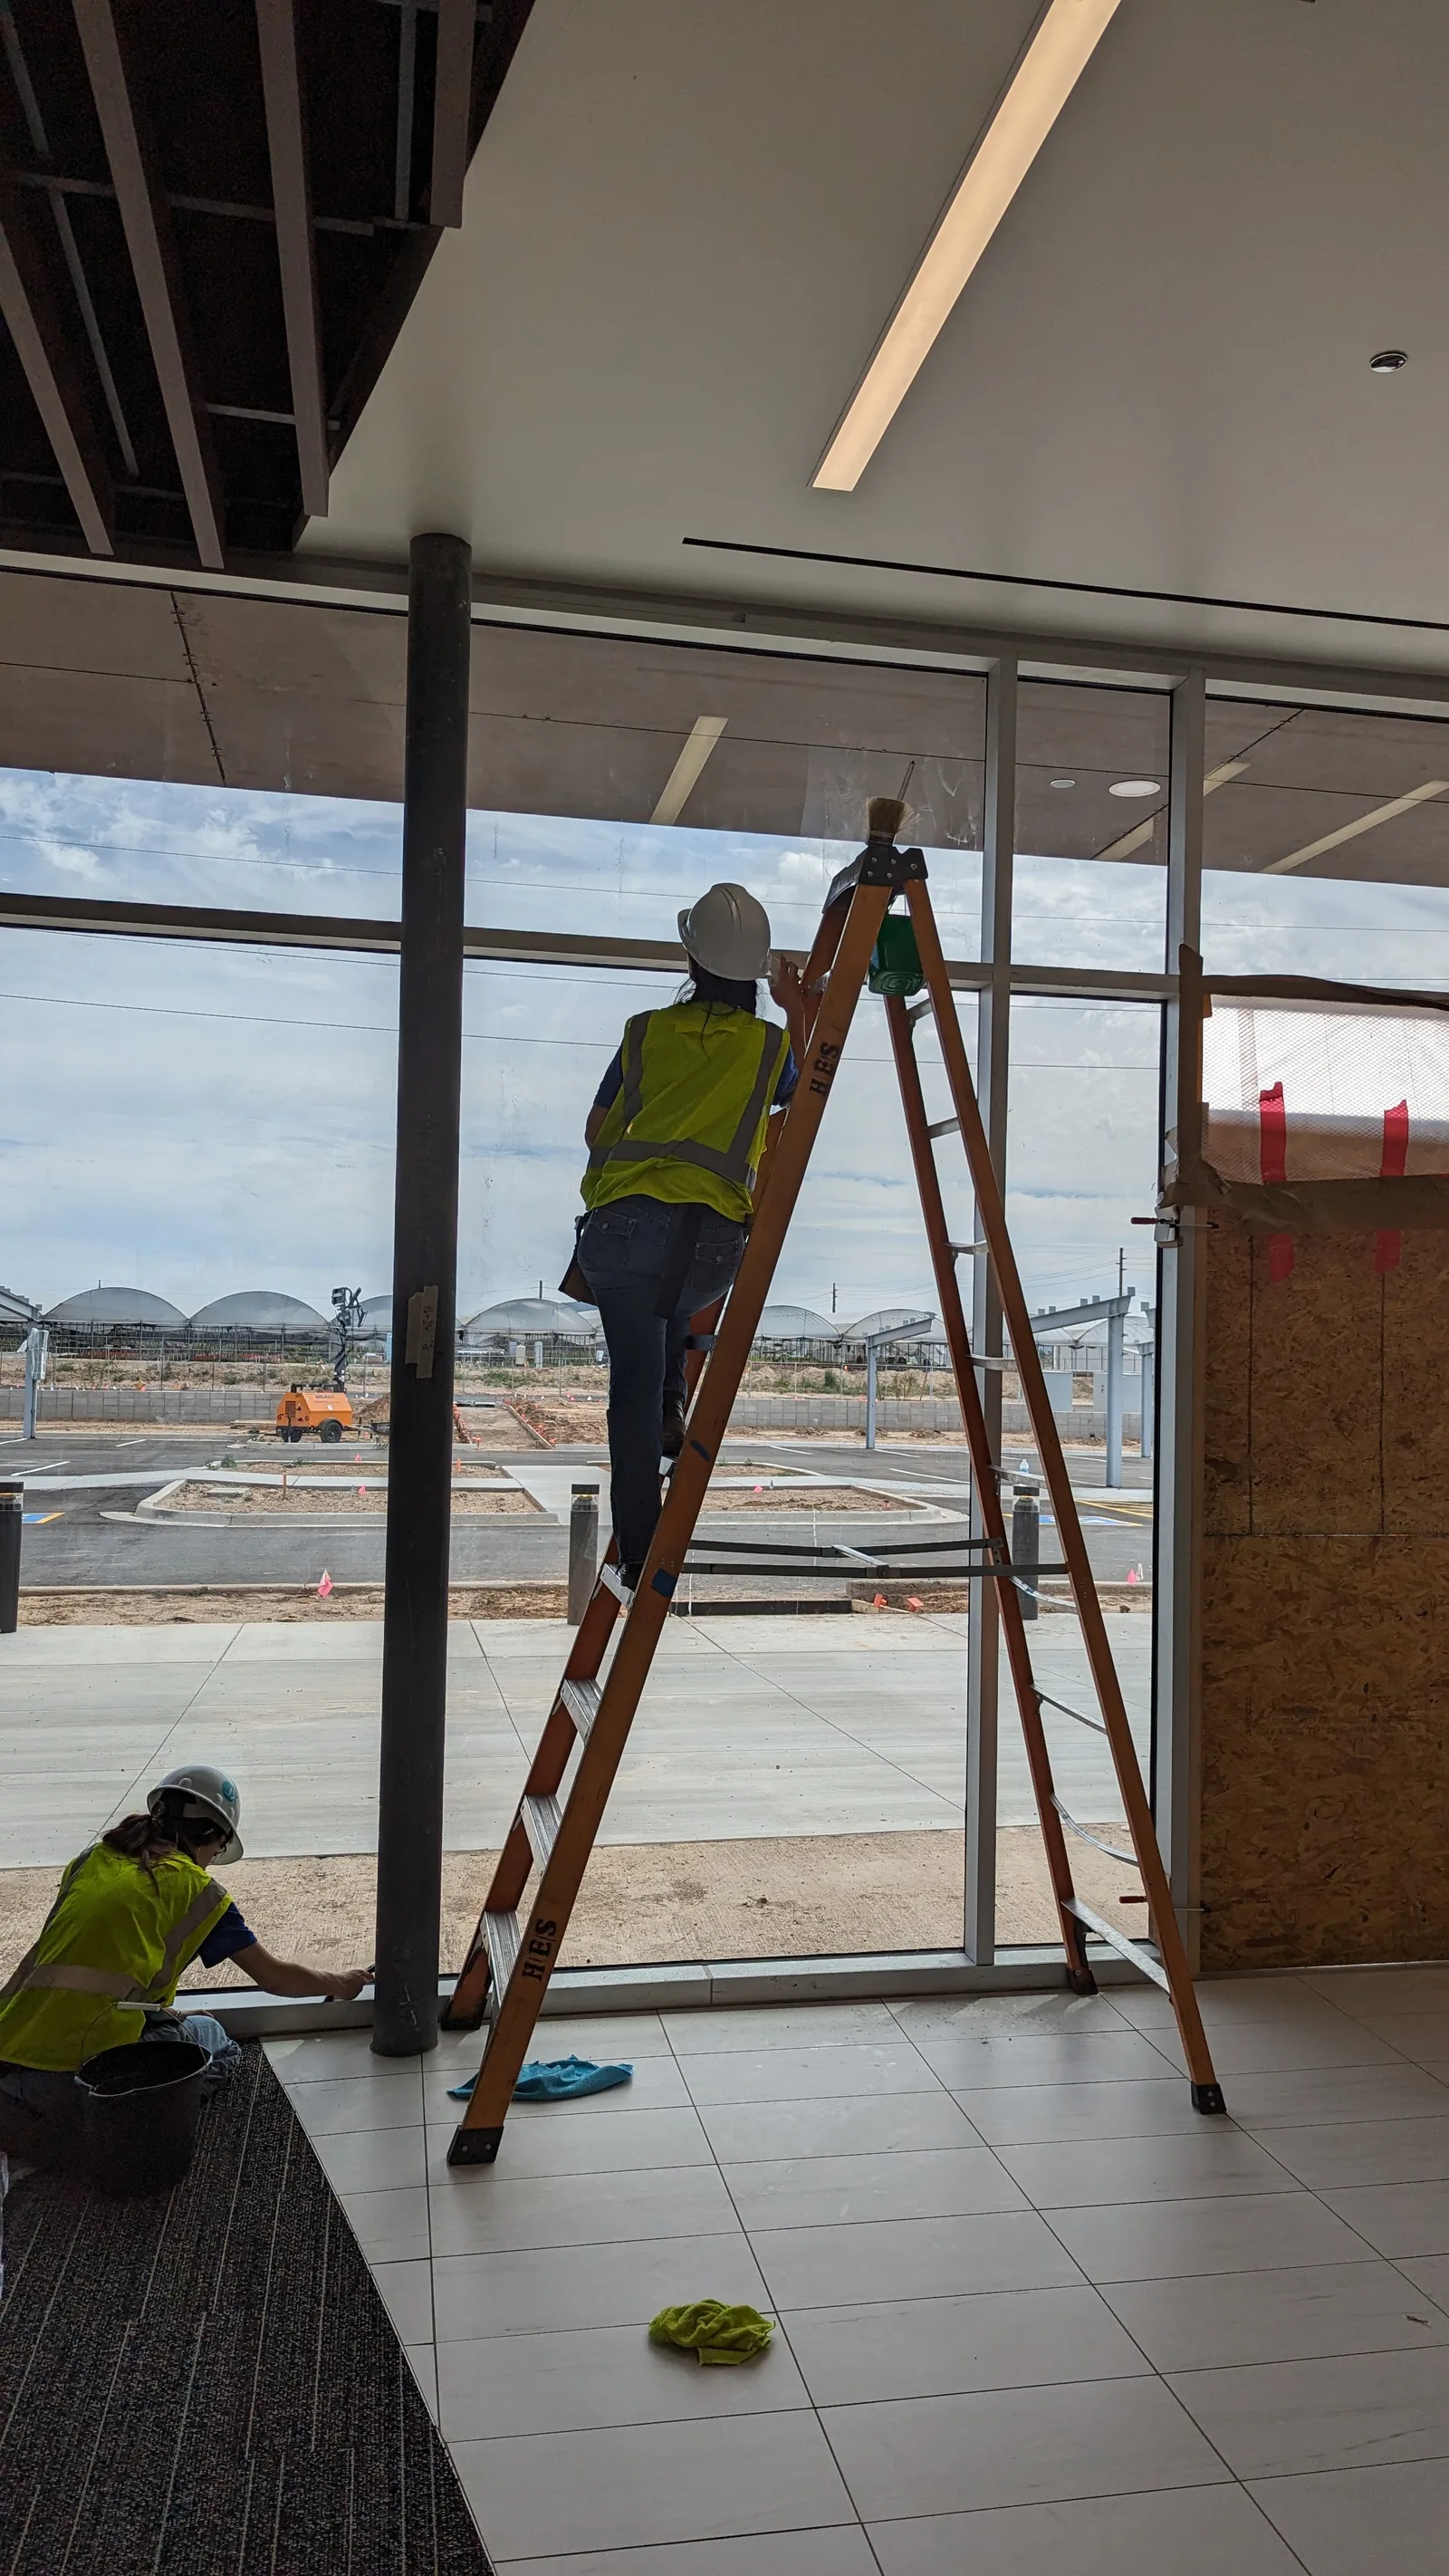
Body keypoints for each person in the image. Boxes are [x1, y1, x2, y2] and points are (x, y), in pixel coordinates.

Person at [578, 880, 805, 1585]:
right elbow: (801, 1097)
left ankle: (642, 1551)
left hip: (620, 1231)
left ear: (691, 959)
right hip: (709, 1247)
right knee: (670, 1313)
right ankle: (673, 1406)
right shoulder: (771, 1048)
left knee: (632, 1386)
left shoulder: (645, 1030)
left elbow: (595, 1128)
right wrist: (800, 1010)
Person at [0, 1763, 369, 2177]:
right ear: (212, 1835)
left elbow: (93, 1966)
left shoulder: (91, 1860)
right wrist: (344, 1982)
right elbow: (275, 1977)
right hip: (86, 2077)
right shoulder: (196, 1890)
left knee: (187, 2025)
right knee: (217, 2041)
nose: (209, 1864)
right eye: (215, 1852)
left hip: (9, 2053)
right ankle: (110, 2129)